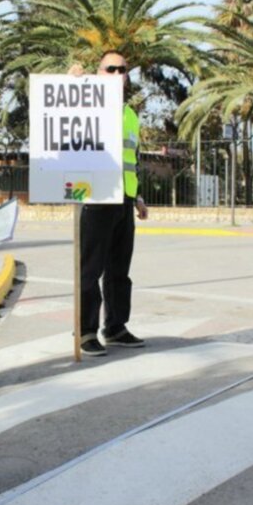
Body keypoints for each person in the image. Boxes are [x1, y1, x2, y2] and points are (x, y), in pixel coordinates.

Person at [71, 50, 149, 357]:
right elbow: (62, 109)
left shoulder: (130, 115)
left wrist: (138, 196)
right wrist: (74, 83)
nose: (117, 74)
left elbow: (132, 159)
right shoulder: (85, 101)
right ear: (98, 73)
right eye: (110, 69)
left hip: (124, 200)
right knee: (90, 270)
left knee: (119, 271)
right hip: (94, 197)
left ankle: (115, 327)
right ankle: (86, 331)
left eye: (123, 70)